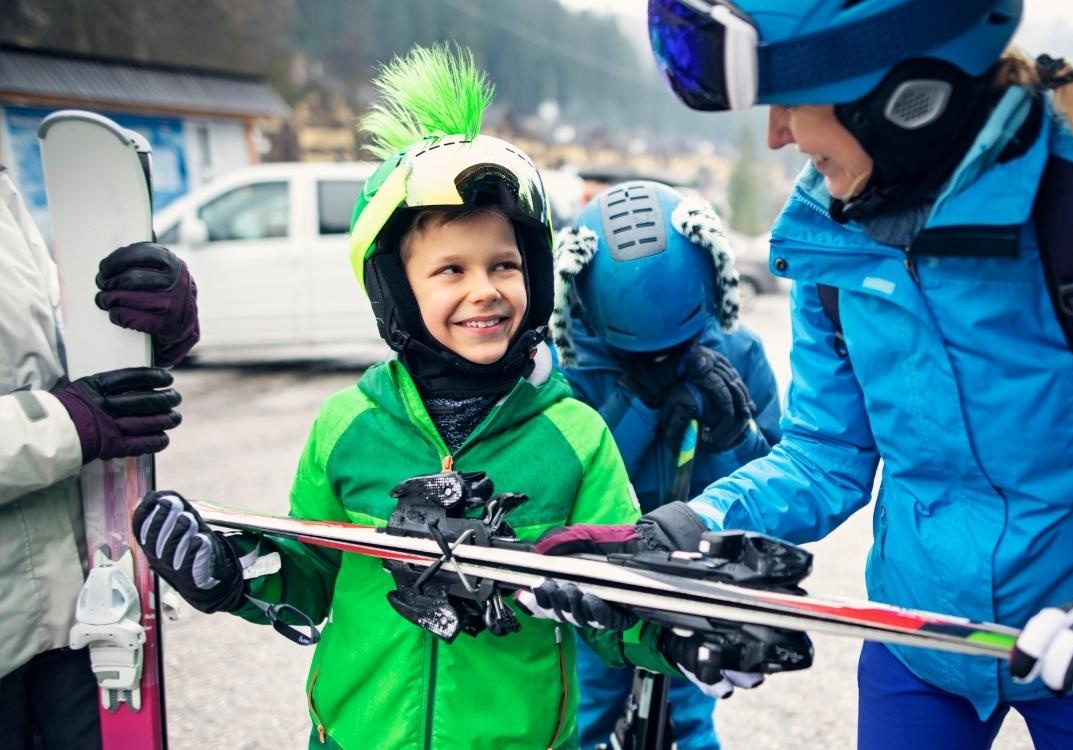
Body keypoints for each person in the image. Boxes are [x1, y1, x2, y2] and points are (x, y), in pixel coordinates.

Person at [540, 2, 1073, 748]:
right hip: (921, 644)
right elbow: (826, 455)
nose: (775, 134)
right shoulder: (829, 233)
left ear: (902, 99)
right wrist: (689, 525)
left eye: (792, 97)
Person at [129, 45, 757, 750]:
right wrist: (231, 568)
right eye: (449, 270)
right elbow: (309, 571)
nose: (483, 289)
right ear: (395, 291)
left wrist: (678, 629)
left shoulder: (574, 438)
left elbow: (608, 600)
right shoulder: (351, 427)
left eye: (504, 265)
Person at [550, 180, 783, 750]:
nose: (657, 358)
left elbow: (777, 478)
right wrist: (640, 402)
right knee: (590, 708)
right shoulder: (572, 364)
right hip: (601, 570)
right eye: (638, 349)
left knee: (689, 717)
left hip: (694, 573)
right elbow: (574, 480)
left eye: (669, 346)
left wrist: (735, 434)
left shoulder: (737, 351)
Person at [0, 163, 195, 749]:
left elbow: (38, 353)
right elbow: (65, 410)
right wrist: (66, 424)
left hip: (77, 621)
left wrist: (145, 327)